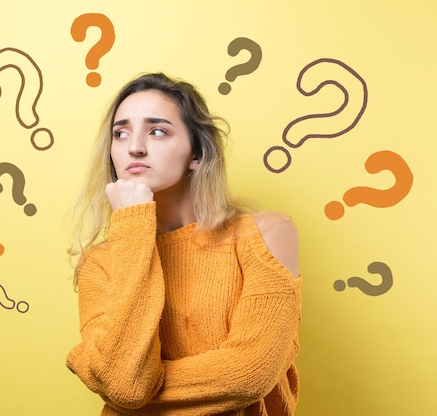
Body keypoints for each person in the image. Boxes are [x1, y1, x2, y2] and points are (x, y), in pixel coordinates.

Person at [66, 72, 302, 416]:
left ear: (197, 153)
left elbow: (250, 374)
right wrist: (133, 224)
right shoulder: (100, 263)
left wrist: (103, 370)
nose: (134, 147)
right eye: (121, 133)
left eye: (157, 130)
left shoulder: (264, 235)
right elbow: (125, 385)